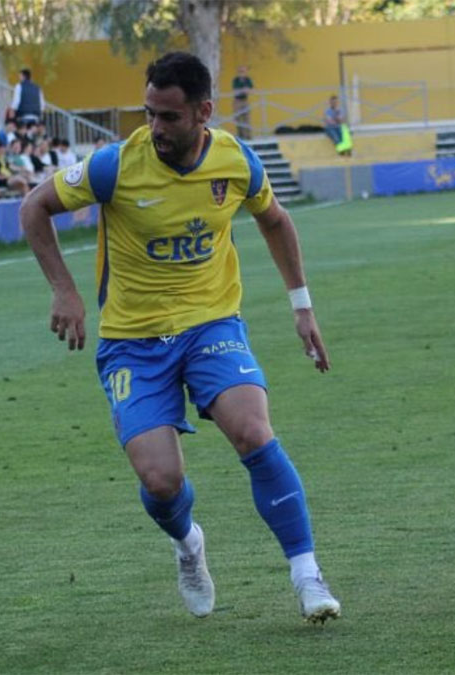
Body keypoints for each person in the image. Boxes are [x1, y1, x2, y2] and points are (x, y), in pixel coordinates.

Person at [20, 51, 341, 624]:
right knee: (161, 479)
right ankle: (189, 543)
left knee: (253, 429)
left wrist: (302, 306)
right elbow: (34, 207)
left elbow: (276, 221)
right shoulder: (114, 166)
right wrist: (64, 291)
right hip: (132, 339)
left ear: (203, 113)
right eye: (149, 114)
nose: (155, 128)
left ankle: (306, 574)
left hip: (211, 324)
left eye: (168, 117)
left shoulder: (235, 160)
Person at [231, 64, 253, 140]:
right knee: (238, 119)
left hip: (245, 101)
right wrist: (243, 90)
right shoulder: (236, 80)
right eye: (240, 71)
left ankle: (248, 136)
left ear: (246, 72)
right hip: (237, 101)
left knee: (246, 119)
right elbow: (235, 91)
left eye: (243, 71)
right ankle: (241, 136)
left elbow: (249, 90)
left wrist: (244, 90)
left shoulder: (248, 79)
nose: (242, 73)